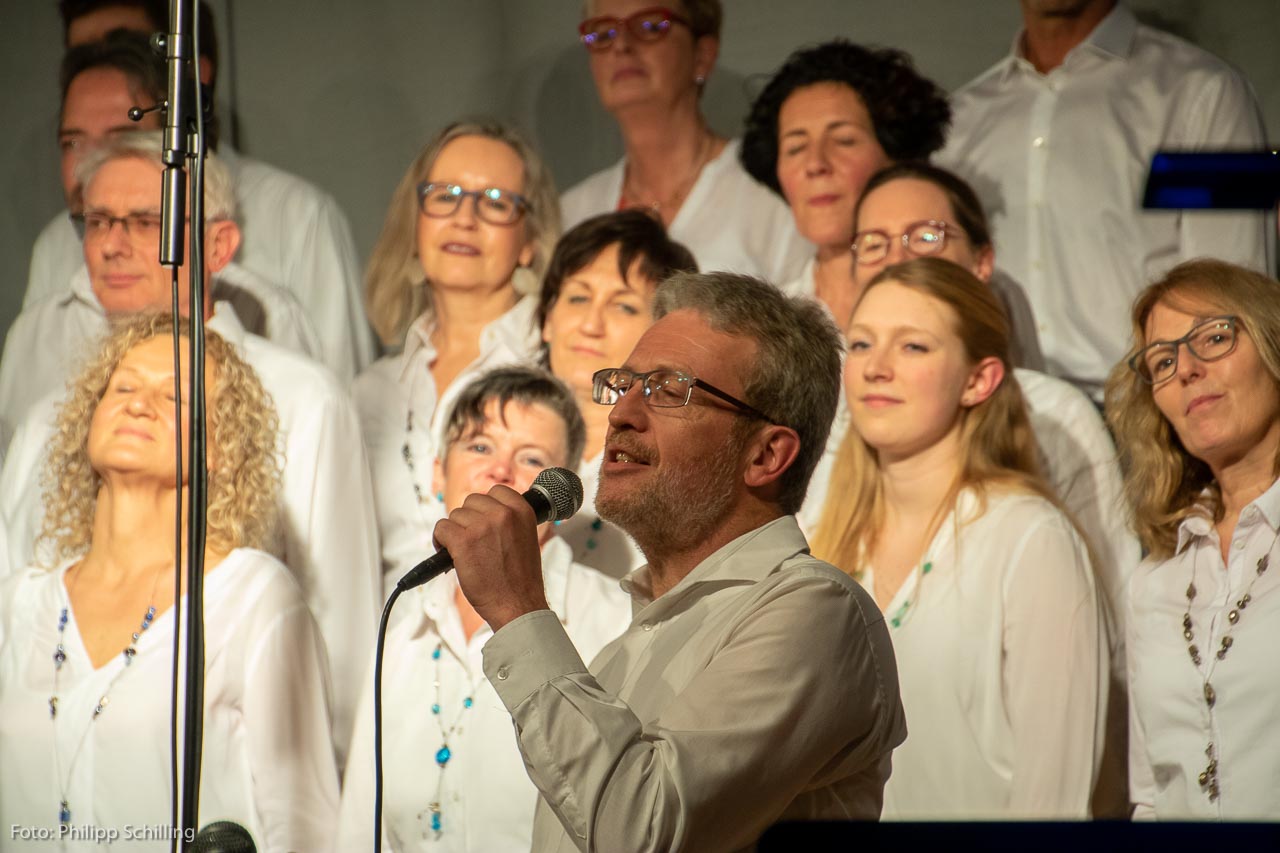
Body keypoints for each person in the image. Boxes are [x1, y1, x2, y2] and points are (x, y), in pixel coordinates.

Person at [433, 271, 906, 850]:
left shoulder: (817, 613)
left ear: (765, 455)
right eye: (624, 385)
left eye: (667, 389)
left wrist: (518, 610)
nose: (621, 414)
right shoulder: (621, 650)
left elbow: (643, 833)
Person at [0, 131, 380, 764]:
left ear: (219, 245)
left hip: (223, 767)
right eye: (98, 221)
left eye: (145, 222)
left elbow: (341, 629)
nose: (112, 245)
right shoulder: (46, 420)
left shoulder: (301, 399)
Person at [0, 312, 338, 851]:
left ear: (220, 448)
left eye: (175, 397)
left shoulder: (252, 598)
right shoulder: (18, 603)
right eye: (123, 388)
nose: (138, 404)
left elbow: (305, 828)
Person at [811, 257, 1106, 818]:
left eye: (913, 346)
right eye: (862, 343)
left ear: (978, 379)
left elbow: (1053, 804)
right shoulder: (820, 539)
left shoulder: (1030, 540)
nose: (876, 368)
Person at [838, 163, 1138, 680]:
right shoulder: (842, 423)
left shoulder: (1055, 418)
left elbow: (1112, 616)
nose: (897, 258)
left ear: (982, 261)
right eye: (874, 243)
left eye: (925, 236)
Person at [338, 366, 631, 851]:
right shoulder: (403, 628)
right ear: (438, 472)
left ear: (562, 497)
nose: (499, 471)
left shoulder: (613, 621)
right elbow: (357, 828)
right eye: (479, 447)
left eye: (531, 458)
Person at [937, 0, 1270, 400]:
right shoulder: (962, 121)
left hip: (1144, 411)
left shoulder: (1199, 92)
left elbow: (1232, 291)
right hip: (1002, 411)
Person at [28, 2, 375, 382]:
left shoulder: (295, 221)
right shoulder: (49, 269)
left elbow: (334, 393)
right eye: (74, 142)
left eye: (145, 222)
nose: (93, 166)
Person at [1105, 259, 1280, 819]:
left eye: (1214, 338)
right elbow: (1150, 794)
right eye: (1163, 361)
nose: (1186, 369)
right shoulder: (1156, 577)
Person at [354, 119, 560, 594]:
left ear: (529, 241)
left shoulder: (560, 374)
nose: (465, 218)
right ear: (415, 222)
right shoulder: (370, 392)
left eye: (495, 202)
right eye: (445, 196)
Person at [561, 0, 808, 282]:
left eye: (650, 26)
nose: (622, 45)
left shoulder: (767, 192)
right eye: (604, 33)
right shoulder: (574, 213)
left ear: (702, 55)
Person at [739, 39, 950, 332]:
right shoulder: (771, 326)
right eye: (796, 148)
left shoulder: (958, 299)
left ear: (898, 157)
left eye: (844, 141)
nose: (816, 164)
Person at [537, 209, 697, 578]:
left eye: (623, 306)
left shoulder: (671, 464)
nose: (591, 325)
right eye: (579, 298)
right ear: (547, 319)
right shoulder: (489, 426)